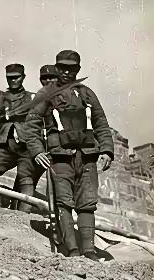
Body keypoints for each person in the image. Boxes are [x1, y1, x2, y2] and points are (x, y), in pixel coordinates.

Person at [25, 50, 114, 260]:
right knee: (63, 203)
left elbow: (101, 122)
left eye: (71, 68)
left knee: (87, 204)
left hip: (87, 156)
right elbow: (32, 124)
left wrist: (106, 150)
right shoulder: (45, 93)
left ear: (78, 69)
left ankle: (89, 251)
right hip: (60, 157)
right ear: (57, 68)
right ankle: (72, 250)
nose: (66, 72)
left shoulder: (87, 94)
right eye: (63, 68)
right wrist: (37, 151)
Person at [0, 64, 43, 212]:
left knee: (26, 177)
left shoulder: (33, 98)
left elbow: (41, 121)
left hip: (27, 146)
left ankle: (23, 214)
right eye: (10, 78)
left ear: (23, 77)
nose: (13, 80)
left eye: (16, 77)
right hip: (6, 145)